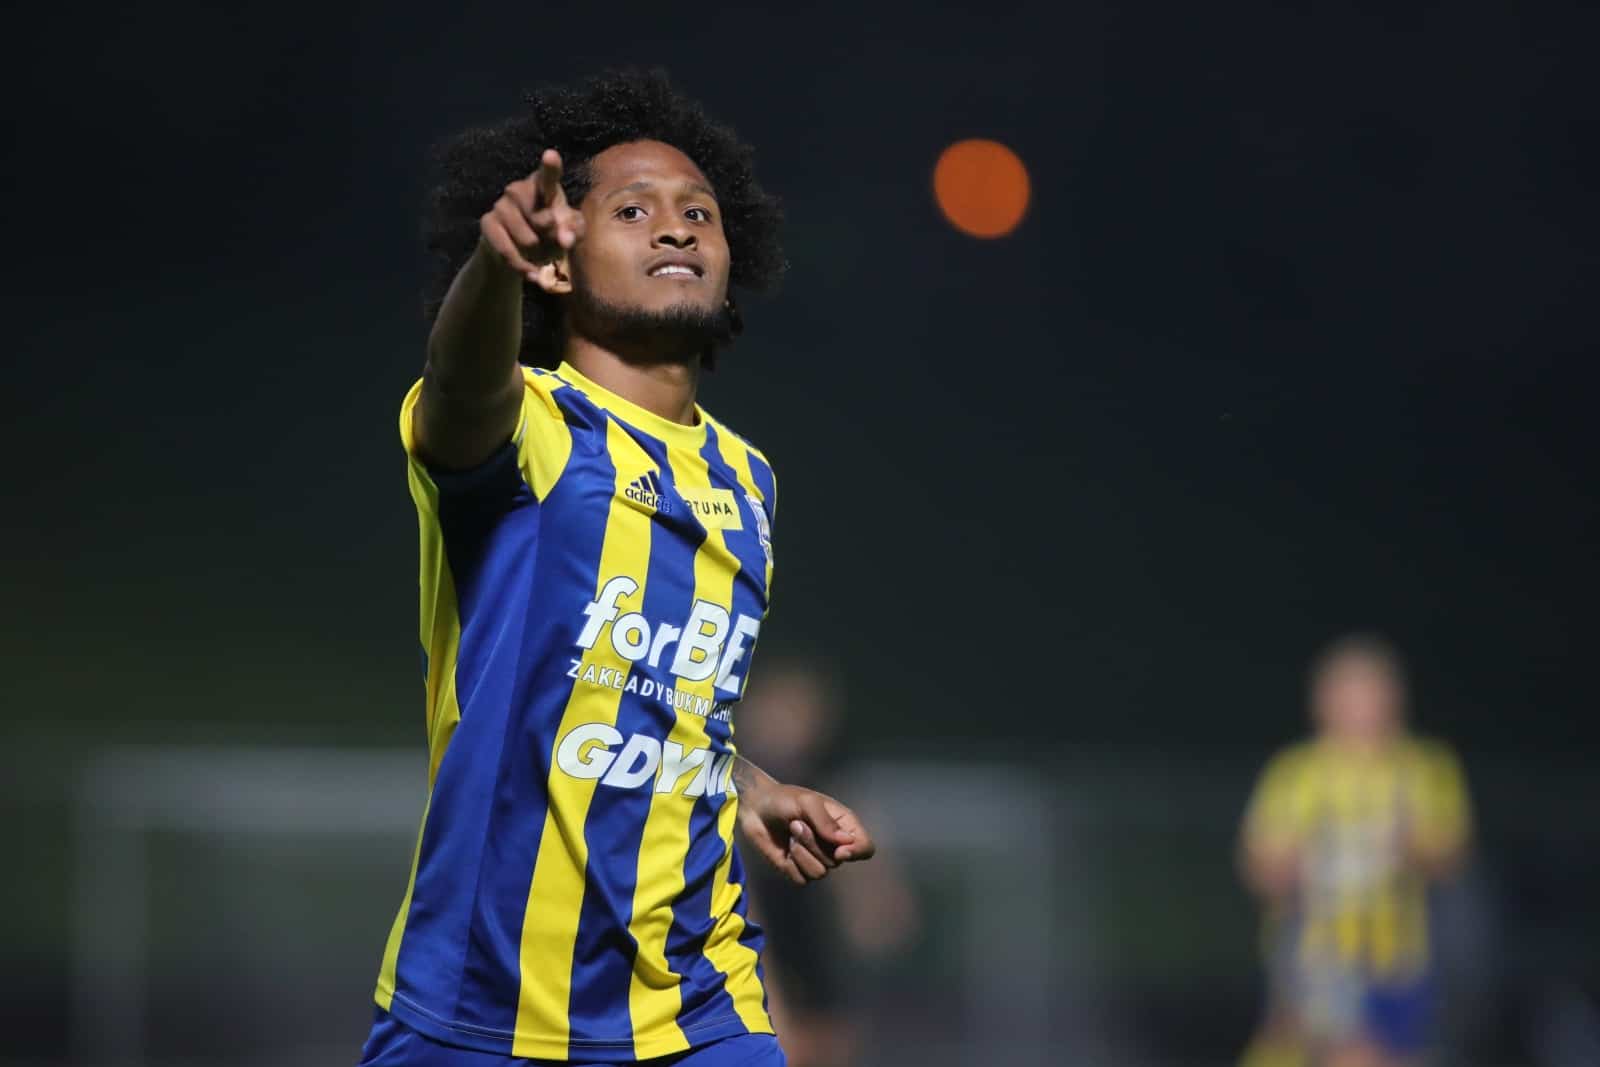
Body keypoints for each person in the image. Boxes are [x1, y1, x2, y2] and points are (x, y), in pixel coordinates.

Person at [358, 69, 876, 1067]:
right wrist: (493, 269)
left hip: (698, 1008)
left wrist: (750, 785)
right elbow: (461, 387)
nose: (675, 227)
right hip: (480, 1011)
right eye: (633, 210)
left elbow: (655, 699)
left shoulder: (748, 478)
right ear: (557, 261)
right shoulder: (531, 427)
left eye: (698, 212)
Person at [1238, 635, 1472, 1067]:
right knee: (1351, 1055)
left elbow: (1452, 855)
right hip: (1319, 955)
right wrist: (1298, 863)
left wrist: (1409, 845)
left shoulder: (1425, 768)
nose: (1361, 708)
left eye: (1371, 695)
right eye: (1348, 696)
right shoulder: (1296, 773)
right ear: (1323, 703)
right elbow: (1259, 867)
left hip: (1403, 959)